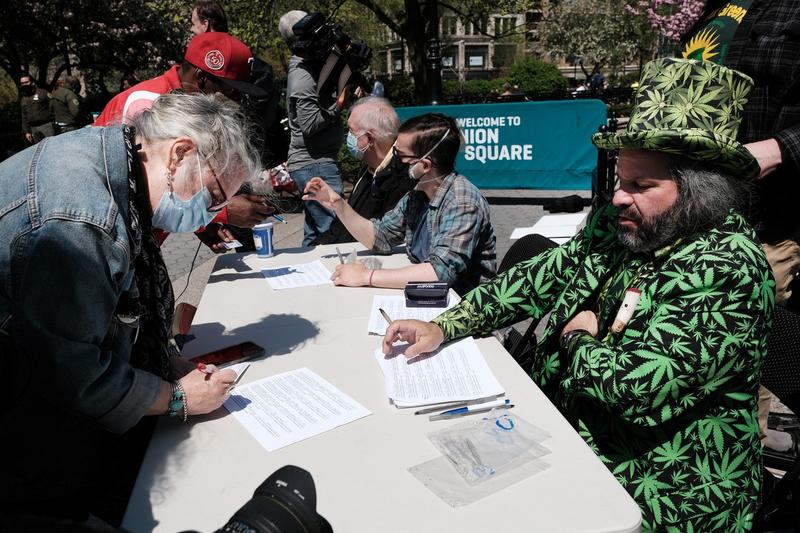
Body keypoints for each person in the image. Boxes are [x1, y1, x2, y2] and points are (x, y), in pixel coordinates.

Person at [382, 58, 774, 530]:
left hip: (661, 482)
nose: (619, 197)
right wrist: (445, 324)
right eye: (621, 181)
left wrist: (577, 339)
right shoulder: (622, 224)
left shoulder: (728, 268)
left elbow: (634, 390)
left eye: (640, 185)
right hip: (569, 429)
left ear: (699, 193)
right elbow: (540, 277)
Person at [0, 93, 261, 523]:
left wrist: (167, 360)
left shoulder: (113, 163)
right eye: (213, 196)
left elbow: (116, 303)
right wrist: (178, 398)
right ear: (180, 153)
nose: (209, 215)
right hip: (23, 434)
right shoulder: (80, 220)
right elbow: (72, 372)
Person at [681, 0, 800, 445]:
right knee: (680, 349)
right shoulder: (720, 5)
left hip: (764, 223)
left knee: (728, 370)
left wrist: (779, 149)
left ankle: (729, 472)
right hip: (691, 213)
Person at [94, 32, 273, 250]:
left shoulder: (185, 102)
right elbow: (142, 193)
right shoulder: (148, 106)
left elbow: (178, 182)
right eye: (231, 91)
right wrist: (221, 211)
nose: (236, 100)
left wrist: (202, 225)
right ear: (202, 78)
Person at [304, 113, 497, 295]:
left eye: (401, 155)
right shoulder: (419, 193)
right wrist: (337, 203)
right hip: (429, 295)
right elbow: (381, 237)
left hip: (463, 302)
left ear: (424, 165)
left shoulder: (462, 201)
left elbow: (439, 273)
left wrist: (366, 276)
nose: (394, 161)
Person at [280, 10, 348, 246]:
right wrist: (339, 104)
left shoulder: (312, 68)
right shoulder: (303, 76)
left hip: (316, 163)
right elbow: (309, 125)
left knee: (314, 235)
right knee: (334, 232)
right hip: (314, 164)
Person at [313, 96, 413, 245]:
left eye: (351, 132)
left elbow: (381, 237)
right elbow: (341, 228)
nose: (348, 137)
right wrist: (318, 246)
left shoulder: (404, 177)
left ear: (370, 139)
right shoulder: (369, 168)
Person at [19, 74, 54, 143]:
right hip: (33, 129)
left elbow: (53, 106)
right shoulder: (23, 99)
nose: (24, 84)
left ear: (32, 83)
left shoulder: (42, 93)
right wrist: (27, 132)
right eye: (22, 83)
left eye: (26, 82)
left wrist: (53, 122)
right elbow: (24, 116)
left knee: (52, 145)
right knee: (39, 148)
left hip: (46, 126)